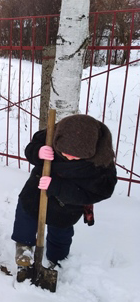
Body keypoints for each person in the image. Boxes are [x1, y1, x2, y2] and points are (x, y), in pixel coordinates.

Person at [11, 114, 118, 269]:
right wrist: (38, 152)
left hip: (67, 203)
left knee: (61, 231)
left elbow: (100, 192)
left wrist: (57, 187)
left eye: (76, 157)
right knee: (26, 215)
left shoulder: (101, 163)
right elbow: (31, 148)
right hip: (37, 189)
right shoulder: (51, 135)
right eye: (65, 152)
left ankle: (57, 259)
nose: (69, 157)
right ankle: (24, 248)